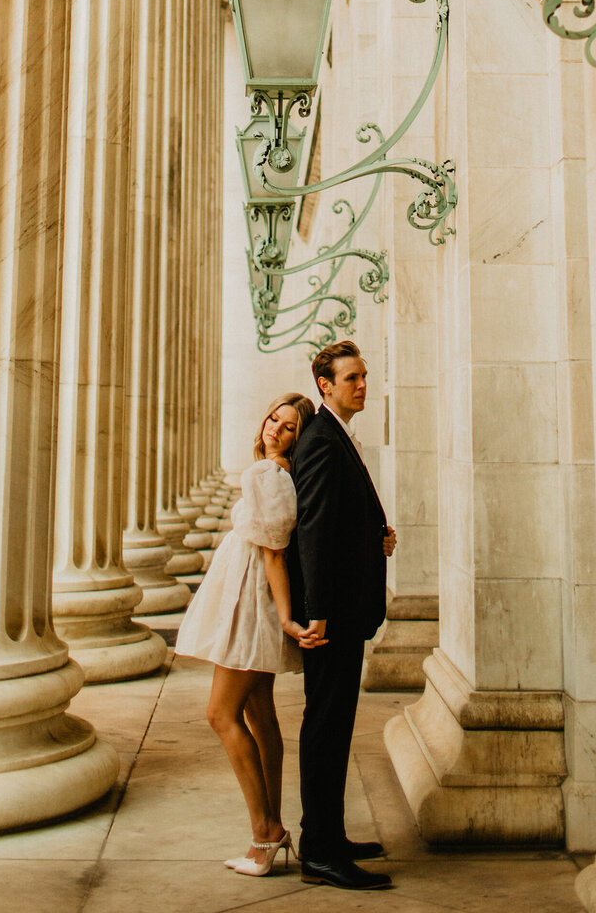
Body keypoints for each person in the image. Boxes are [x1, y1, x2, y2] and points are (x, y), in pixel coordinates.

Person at [173, 390, 324, 877]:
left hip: (250, 601)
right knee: (261, 717)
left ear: (297, 438)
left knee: (220, 713)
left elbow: (275, 552)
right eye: (273, 419)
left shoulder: (265, 473)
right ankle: (272, 829)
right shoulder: (281, 474)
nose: (274, 429)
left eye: (288, 427)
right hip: (256, 596)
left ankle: (266, 833)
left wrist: (283, 617)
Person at [288, 340, 397, 891]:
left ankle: (329, 835)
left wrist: (375, 534)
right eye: (351, 377)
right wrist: (319, 613)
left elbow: (341, 522)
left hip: (344, 614)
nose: (362, 384)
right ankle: (320, 852)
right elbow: (312, 533)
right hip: (332, 619)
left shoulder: (333, 435)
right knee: (325, 730)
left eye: (363, 376)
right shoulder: (323, 441)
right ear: (325, 385)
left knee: (333, 728)